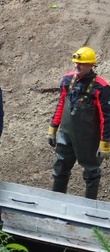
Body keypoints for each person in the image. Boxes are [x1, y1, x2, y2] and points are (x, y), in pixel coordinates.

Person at [47, 46, 110, 199]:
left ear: (91, 65)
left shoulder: (101, 87)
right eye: (75, 63)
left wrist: (105, 143)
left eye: (80, 63)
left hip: (89, 140)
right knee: (60, 168)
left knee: (91, 171)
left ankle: (90, 209)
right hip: (66, 135)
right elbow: (61, 104)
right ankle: (56, 202)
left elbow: (106, 117)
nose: (76, 66)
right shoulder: (67, 80)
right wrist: (53, 128)